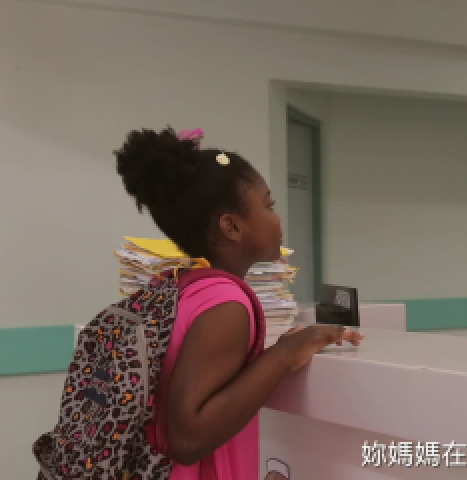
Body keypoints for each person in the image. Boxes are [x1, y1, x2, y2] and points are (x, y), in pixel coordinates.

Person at [115, 127, 363, 479]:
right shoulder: (225, 304)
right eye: (269, 206)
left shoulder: (182, 286)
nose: (278, 218)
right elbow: (187, 438)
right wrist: (284, 354)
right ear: (231, 227)